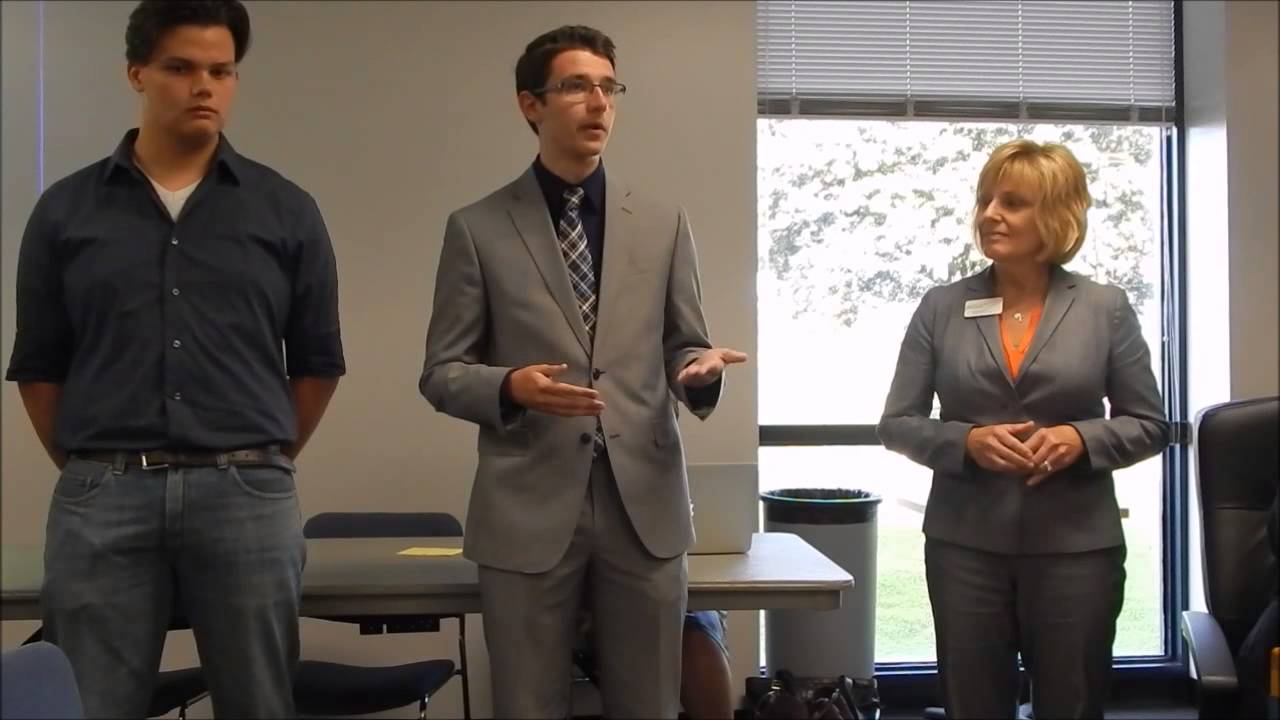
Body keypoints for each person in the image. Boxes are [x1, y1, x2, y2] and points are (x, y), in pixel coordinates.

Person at [5, 1, 344, 716]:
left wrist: (262, 458)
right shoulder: (66, 211)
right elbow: (39, 369)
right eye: (181, 68)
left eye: (221, 71)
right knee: (91, 702)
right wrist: (96, 467)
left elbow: (316, 365)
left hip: (246, 491)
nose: (204, 87)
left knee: (259, 702)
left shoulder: (285, 210)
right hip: (105, 495)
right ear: (137, 73)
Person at [419, 24, 746, 719]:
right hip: (527, 504)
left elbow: (686, 343)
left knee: (650, 704)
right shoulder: (476, 228)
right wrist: (508, 387)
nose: (597, 101)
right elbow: (443, 372)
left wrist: (699, 370)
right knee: (529, 704)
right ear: (530, 105)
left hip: (644, 504)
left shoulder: (661, 221)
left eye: (607, 87)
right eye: (576, 86)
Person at [877, 139, 1168, 719]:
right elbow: (897, 424)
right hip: (965, 549)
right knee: (974, 705)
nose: (990, 214)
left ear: (1056, 214)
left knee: (1072, 703)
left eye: (1012, 202)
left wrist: (1082, 439)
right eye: (986, 200)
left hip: (1076, 551)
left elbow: (1149, 424)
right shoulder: (941, 307)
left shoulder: (1104, 308)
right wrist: (967, 442)